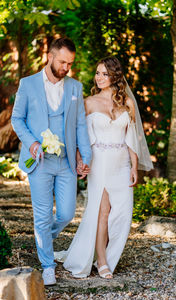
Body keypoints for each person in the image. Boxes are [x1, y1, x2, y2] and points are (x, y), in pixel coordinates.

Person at [54, 56, 153, 279]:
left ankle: (108, 254)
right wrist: (80, 160)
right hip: (98, 162)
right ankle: (101, 261)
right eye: (97, 73)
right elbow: (78, 136)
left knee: (123, 213)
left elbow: (133, 139)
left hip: (121, 163)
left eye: (104, 74)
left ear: (115, 76)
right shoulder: (88, 102)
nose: (99, 78)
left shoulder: (127, 103)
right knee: (103, 211)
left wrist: (134, 167)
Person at [11, 37, 92, 285]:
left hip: (66, 162)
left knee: (67, 213)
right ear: (50, 56)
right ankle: (47, 265)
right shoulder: (27, 84)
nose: (66, 67)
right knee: (43, 215)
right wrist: (32, 142)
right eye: (63, 61)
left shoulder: (75, 87)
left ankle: (43, 236)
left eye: (70, 63)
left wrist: (85, 157)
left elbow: (80, 125)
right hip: (39, 162)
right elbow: (17, 119)